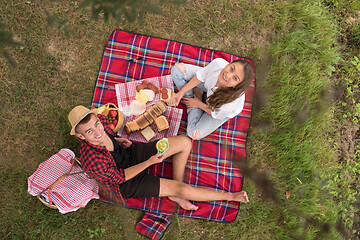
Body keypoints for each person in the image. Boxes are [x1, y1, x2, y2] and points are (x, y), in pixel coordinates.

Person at [68, 105, 249, 210]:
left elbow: (106, 132)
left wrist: (118, 140)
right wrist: (148, 162)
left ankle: (175, 192)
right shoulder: (92, 161)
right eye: (90, 131)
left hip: (130, 154)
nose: (98, 131)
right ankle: (230, 196)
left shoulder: (102, 122)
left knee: (185, 142)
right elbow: (120, 177)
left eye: (97, 124)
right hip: (125, 183)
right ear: (81, 137)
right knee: (183, 190)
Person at [168, 58, 254, 140]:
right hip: (209, 87)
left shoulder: (229, 104)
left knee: (193, 133)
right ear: (229, 64)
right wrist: (181, 92)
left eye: (235, 78)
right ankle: (191, 97)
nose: (228, 75)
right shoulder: (218, 64)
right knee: (177, 70)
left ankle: (195, 99)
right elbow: (200, 76)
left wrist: (197, 103)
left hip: (217, 111)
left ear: (237, 86)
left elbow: (215, 114)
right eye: (231, 68)